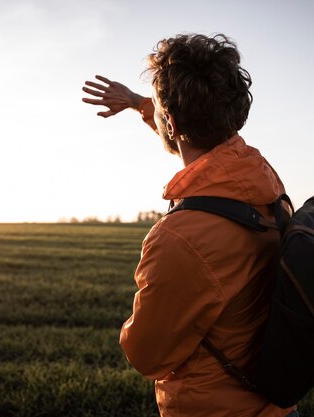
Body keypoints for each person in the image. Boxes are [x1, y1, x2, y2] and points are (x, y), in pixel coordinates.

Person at [82, 33, 297, 417]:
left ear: (173, 121)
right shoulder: (263, 180)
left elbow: (147, 356)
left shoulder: (180, 237)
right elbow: (197, 135)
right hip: (278, 406)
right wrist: (138, 103)